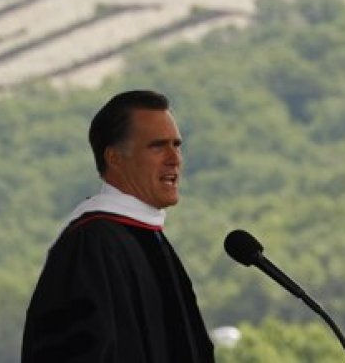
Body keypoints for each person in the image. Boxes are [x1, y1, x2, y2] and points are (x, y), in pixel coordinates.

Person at [21, 90, 215, 362]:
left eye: (177, 145)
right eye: (158, 146)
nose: (175, 158)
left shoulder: (149, 238)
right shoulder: (91, 244)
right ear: (114, 158)